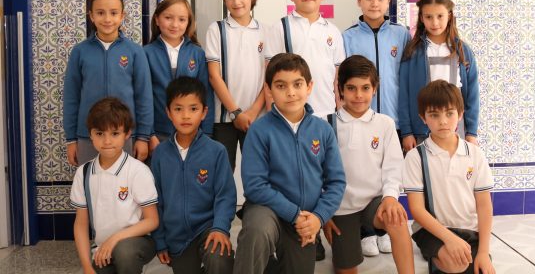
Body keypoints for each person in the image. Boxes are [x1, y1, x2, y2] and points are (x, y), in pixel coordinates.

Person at [234, 53, 346, 274]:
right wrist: (295, 214)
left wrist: (317, 218)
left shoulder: (323, 130)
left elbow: (336, 182)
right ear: (269, 90)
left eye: (297, 84)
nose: (291, 92)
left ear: (309, 86)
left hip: (305, 220)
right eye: (281, 86)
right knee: (257, 231)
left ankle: (271, 264)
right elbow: (255, 186)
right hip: (268, 212)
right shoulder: (259, 130)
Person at [323, 55, 414, 274]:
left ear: (374, 89)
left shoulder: (385, 124)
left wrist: (390, 197)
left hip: (375, 202)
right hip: (341, 208)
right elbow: (318, 174)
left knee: (398, 219)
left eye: (365, 88)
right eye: (351, 88)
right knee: (346, 269)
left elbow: (393, 166)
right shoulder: (326, 125)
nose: (358, 95)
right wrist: (324, 214)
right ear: (340, 89)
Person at [342, 0, 411, 256]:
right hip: (359, 118)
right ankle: (365, 231)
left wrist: (407, 124)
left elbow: (407, 79)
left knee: (391, 172)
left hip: (392, 118)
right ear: (358, 0)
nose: (374, 3)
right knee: (361, 173)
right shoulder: (347, 36)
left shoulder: (401, 34)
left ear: (389, 1)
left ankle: (383, 228)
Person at [404, 80, 494, 274]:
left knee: (480, 267)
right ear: (423, 117)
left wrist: (483, 252)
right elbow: (417, 209)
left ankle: (447, 261)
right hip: (432, 230)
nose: (443, 121)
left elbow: (484, 206)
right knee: (456, 264)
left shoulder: (475, 154)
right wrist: (450, 239)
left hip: (470, 231)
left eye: (449, 113)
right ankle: (438, 259)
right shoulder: (416, 157)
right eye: (434, 115)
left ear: (460, 114)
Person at [151, 76, 236, 274]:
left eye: (193, 109)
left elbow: (225, 196)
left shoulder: (216, 151)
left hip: (208, 229)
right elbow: (156, 201)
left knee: (218, 258)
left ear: (204, 112)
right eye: (178, 109)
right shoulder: (160, 154)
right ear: (168, 112)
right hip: (177, 239)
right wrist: (160, 241)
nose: (186, 116)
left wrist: (220, 228)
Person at [64, 0, 153, 165]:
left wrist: (143, 137)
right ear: (91, 16)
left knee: (124, 181)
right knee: (91, 180)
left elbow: (144, 96)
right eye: (100, 13)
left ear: (122, 16)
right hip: (88, 136)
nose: (107, 19)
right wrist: (71, 139)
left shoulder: (135, 51)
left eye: (113, 13)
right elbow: (71, 97)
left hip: (125, 135)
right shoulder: (80, 52)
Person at [70, 97, 159, 274]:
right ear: (90, 135)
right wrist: (87, 267)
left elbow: (152, 220)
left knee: (124, 252)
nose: (107, 141)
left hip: (137, 242)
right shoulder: (84, 173)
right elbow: (80, 224)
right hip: (103, 249)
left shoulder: (138, 171)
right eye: (100, 133)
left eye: (115, 133)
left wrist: (115, 239)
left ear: (127, 134)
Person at [399, 0, 480, 152]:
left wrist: (471, 132)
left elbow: (472, 94)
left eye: (440, 16)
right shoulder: (412, 52)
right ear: (421, 18)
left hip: (456, 130)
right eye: (429, 17)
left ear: (449, 15)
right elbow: (404, 94)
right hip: (422, 130)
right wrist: (407, 131)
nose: (434, 22)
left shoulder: (463, 50)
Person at [264, 0, 345, 119]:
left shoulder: (333, 32)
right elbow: (269, 76)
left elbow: (337, 80)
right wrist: (272, 117)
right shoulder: (280, 28)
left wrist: (340, 114)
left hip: (326, 113)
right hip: (289, 115)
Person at [205, 0, 266, 171]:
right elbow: (214, 76)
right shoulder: (216, 29)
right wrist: (236, 112)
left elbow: (270, 78)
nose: (236, 1)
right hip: (224, 118)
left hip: (257, 117)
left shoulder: (266, 31)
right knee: (222, 173)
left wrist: (253, 111)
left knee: (256, 172)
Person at [144, 0, 215, 153]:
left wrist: (206, 133)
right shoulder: (145, 53)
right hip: (158, 135)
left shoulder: (197, 54)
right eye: (168, 18)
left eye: (182, 19)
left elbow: (207, 95)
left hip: (193, 134)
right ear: (157, 19)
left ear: (189, 22)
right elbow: (143, 97)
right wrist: (148, 134)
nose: (175, 24)